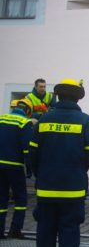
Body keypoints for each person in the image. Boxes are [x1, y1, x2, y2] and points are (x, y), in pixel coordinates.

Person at [29, 79, 89, 247]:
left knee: (45, 232)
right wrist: (79, 168)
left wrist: (42, 172)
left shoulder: (44, 120)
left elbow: (32, 154)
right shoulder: (86, 121)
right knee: (70, 233)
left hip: (46, 189)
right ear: (78, 98)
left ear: (58, 96)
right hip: (73, 191)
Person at [0, 99, 33, 239]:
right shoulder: (25, 122)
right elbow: (27, 149)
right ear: (28, 111)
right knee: (21, 199)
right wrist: (30, 169)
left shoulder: (1, 119)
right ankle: (15, 230)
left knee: (1, 198)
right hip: (14, 167)